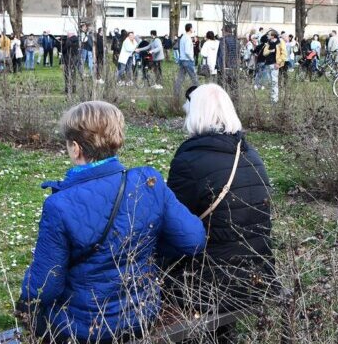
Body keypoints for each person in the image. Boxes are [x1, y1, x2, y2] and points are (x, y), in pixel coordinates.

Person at [18, 101, 206, 343]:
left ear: (75, 148)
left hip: (83, 328)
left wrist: (24, 300)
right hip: (141, 314)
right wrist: (144, 247)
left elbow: (45, 287)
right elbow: (193, 239)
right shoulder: (148, 182)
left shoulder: (60, 205)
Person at [166, 85, 274, 332]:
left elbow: (174, 225)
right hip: (257, 276)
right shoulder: (250, 154)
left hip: (210, 284)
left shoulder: (189, 160)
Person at [174, 23, 199, 98]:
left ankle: (176, 95)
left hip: (182, 60)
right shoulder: (188, 38)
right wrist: (192, 59)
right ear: (190, 29)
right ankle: (199, 94)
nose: (193, 29)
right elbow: (187, 51)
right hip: (188, 61)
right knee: (194, 78)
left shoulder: (183, 37)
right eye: (192, 28)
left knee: (180, 79)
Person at [215, 25, 240, 97]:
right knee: (234, 87)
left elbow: (222, 55)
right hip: (234, 66)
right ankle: (234, 102)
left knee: (222, 88)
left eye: (222, 31)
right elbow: (238, 54)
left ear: (225, 31)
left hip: (225, 66)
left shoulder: (223, 40)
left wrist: (221, 67)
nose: (221, 32)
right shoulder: (236, 40)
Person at [61, 30, 80, 95]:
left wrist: (63, 44)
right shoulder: (77, 40)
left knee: (67, 74)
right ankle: (73, 89)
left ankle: (68, 89)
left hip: (69, 59)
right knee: (73, 74)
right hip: (74, 59)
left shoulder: (68, 41)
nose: (67, 35)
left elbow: (63, 50)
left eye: (68, 34)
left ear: (70, 34)